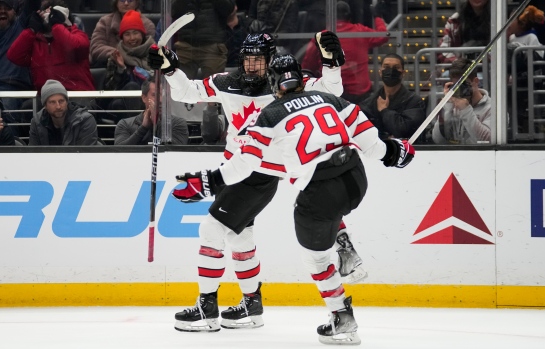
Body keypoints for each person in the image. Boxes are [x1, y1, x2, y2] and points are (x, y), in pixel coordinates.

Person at [169, 54, 415, 345]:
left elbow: (244, 165)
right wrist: (395, 152)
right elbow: (372, 146)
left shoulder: (270, 115)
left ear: (274, 83)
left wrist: (206, 182)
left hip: (318, 191)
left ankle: (342, 317)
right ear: (302, 77)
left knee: (315, 257)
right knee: (253, 232)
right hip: (355, 179)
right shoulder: (332, 101)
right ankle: (343, 242)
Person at [148, 32, 368, 332]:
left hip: (258, 169)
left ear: (270, 60)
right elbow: (187, 93)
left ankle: (207, 308)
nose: (252, 66)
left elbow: (331, 89)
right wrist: (171, 69)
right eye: (248, 59)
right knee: (239, 236)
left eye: (259, 60)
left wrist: (331, 64)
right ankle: (251, 306)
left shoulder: (284, 83)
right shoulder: (226, 82)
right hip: (237, 165)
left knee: (211, 229)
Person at [301, 1, 389, 104]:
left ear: (329, 17)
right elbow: (383, 36)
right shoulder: (359, 31)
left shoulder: (321, 37)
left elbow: (307, 67)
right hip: (359, 94)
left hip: (330, 94)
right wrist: (377, 16)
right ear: (350, 16)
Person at [6, 1, 94, 93]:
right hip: (46, 98)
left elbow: (73, 47)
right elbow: (13, 56)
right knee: (26, 106)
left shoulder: (78, 35)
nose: (49, 18)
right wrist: (31, 29)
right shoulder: (36, 41)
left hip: (77, 94)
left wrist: (56, 25)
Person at [0, 0, 39, 114]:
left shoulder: (21, 24)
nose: (2, 11)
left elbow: (33, 4)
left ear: (15, 12)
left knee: (7, 120)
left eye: (7, 8)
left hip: (11, 88)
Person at [103, 9, 155, 121]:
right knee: (132, 86)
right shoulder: (116, 56)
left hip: (150, 99)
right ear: (122, 37)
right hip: (122, 104)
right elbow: (109, 90)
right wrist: (121, 69)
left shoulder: (155, 54)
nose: (132, 38)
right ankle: (135, 130)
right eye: (127, 34)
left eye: (135, 33)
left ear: (142, 34)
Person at [359, 53, 426, 140]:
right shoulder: (369, 103)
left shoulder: (414, 101)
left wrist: (384, 111)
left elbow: (404, 130)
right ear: (380, 72)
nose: (391, 71)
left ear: (403, 73)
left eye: (396, 67)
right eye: (386, 67)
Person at [432, 58, 492, 144]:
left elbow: (487, 141)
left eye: (464, 84)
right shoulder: (453, 105)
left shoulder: (492, 108)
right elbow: (438, 140)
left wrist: (466, 110)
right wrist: (447, 108)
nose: (460, 90)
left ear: (475, 81)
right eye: (456, 86)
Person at [170, 0, 235, 79]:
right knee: (180, 86)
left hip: (212, 45)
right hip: (186, 45)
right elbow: (174, 12)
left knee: (213, 87)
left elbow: (228, 9)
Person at [114, 77, 189, 145]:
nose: (160, 100)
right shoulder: (125, 124)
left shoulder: (179, 123)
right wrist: (143, 127)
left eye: (164, 95)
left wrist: (157, 123)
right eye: (155, 95)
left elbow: (176, 152)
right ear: (144, 98)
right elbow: (119, 151)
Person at [28, 79, 99, 145]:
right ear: (45, 106)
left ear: (67, 102)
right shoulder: (37, 122)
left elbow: (86, 155)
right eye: (52, 102)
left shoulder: (85, 120)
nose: (58, 106)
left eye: (61, 101)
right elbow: (32, 154)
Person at [89, 0, 156, 67]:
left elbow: (148, 51)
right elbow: (96, 48)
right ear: (116, 3)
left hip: (139, 69)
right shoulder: (104, 22)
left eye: (130, 0)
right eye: (122, 0)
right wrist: (116, 55)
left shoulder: (147, 25)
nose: (126, 3)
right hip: (108, 68)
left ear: (136, 3)